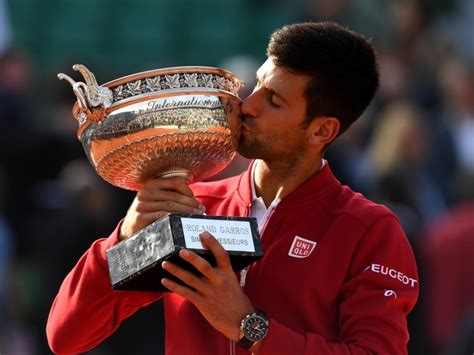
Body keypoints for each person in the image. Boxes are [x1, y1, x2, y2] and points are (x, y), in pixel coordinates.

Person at [46, 21, 419, 354]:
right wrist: (125, 239)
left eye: (274, 100)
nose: (248, 105)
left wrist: (250, 327)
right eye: (257, 84)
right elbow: (66, 335)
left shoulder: (369, 231)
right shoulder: (190, 205)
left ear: (322, 130)